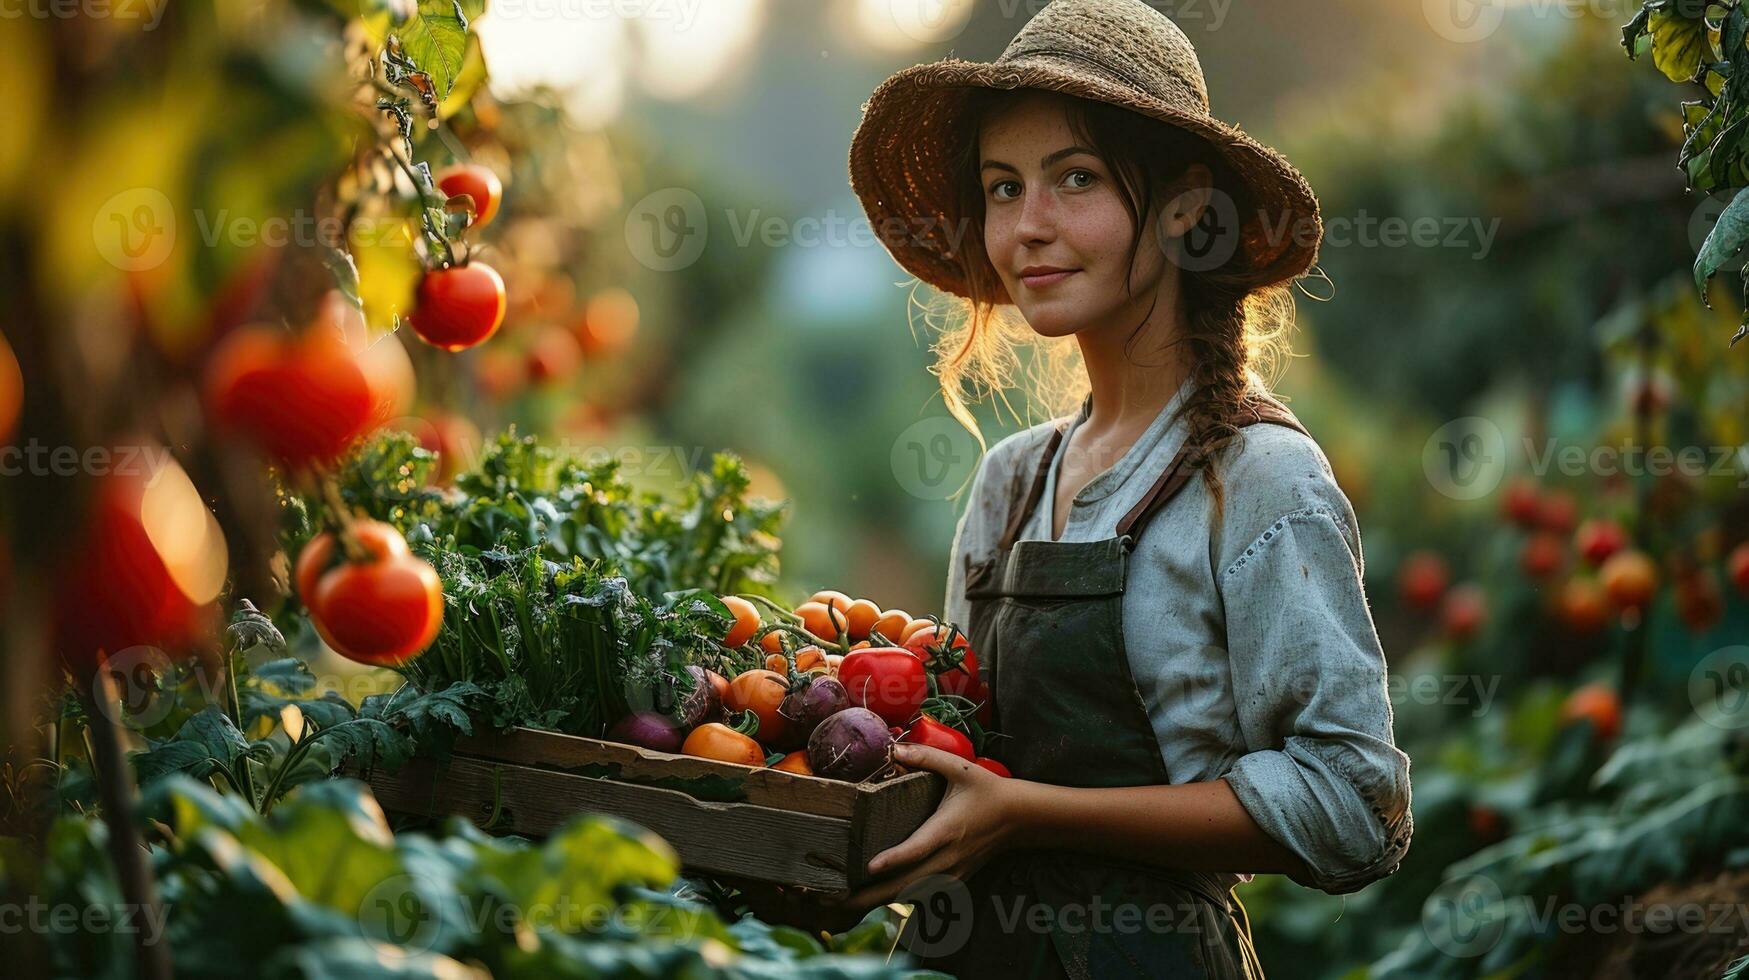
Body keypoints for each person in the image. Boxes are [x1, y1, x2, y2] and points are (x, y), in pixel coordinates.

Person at [836, 2, 1413, 977]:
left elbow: (1354, 807)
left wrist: (1032, 812)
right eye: (1002, 187)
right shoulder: (1012, 481)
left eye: (1076, 178)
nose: (1029, 226)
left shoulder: (1256, 478)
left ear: (1187, 207)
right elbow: (962, 746)